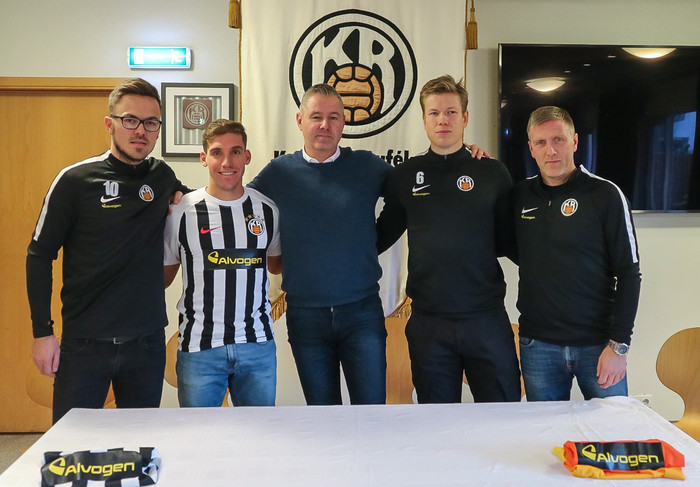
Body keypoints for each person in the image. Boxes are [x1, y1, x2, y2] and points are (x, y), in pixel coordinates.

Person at [27, 78, 186, 423]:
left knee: (140, 440)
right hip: (85, 343)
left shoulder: (162, 176)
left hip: (146, 342)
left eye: (151, 122)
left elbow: (192, 201)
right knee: (73, 442)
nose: (140, 130)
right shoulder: (74, 180)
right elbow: (39, 256)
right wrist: (42, 333)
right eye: (130, 120)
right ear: (109, 123)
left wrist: (181, 198)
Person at [375, 75, 521, 404]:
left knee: (503, 415)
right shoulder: (405, 175)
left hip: (486, 318)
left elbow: (510, 242)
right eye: (435, 113)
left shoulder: (493, 172)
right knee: (437, 422)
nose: (443, 120)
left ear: (465, 118)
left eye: (451, 112)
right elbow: (379, 237)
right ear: (424, 119)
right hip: (429, 322)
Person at [247, 84, 389, 405]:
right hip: (306, 317)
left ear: (344, 122)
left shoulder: (367, 166)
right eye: (316, 117)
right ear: (300, 120)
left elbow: (416, 188)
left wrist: (462, 157)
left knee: (372, 415)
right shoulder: (279, 172)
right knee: (323, 417)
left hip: (361, 313)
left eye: (333, 117)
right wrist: (179, 194)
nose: (325, 125)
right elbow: (235, 202)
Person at [513, 105, 641, 401]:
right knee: (546, 429)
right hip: (538, 346)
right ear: (531, 149)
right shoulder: (519, 196)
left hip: (599, 346)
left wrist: (618, 346)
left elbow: (629, 274)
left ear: (575, 141)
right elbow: (511, 247)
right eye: (541, 142)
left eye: (558, 139)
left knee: (611, 428)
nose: (551, 151)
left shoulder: (606, 195)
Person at [164, 119, 281, 407]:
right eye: (217, 152)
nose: (227, 162)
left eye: (235, 152)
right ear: (204, 158)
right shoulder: (182, 212)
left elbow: (275, 265)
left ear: (247, 156)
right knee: (199, 433)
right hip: (199, 349)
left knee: (260, 432)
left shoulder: (267, 210)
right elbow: (164, 277)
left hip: (257, 347)